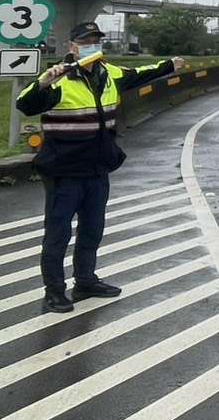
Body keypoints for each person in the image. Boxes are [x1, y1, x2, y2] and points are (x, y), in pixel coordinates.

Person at [16, 22, 186, 313]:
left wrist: (170, 65)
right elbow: (26, 104)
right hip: (64, 170)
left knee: (93, 229)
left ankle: (85, 281)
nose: (91, 45)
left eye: (95, 40)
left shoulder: (109, 73)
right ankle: (55, 290)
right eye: (85, 41)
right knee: (58, 234)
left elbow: (141, 74)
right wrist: (42, 82)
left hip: (97, 168)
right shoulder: (60, 78)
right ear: (72, 46)